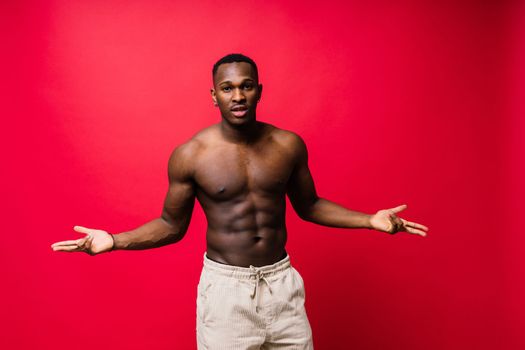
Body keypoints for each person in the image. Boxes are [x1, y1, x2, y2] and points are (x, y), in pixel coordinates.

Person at [51, 53, 428, 349]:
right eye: (228, 88)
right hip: (226, 292)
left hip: (282, 286)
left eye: (246, 86)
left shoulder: (287, 145)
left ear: (259, 90)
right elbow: (171, 225)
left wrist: (369, 219)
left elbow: (309, 205)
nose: (238, 96)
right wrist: (114, 240)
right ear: (214, 95)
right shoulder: (192, 154)